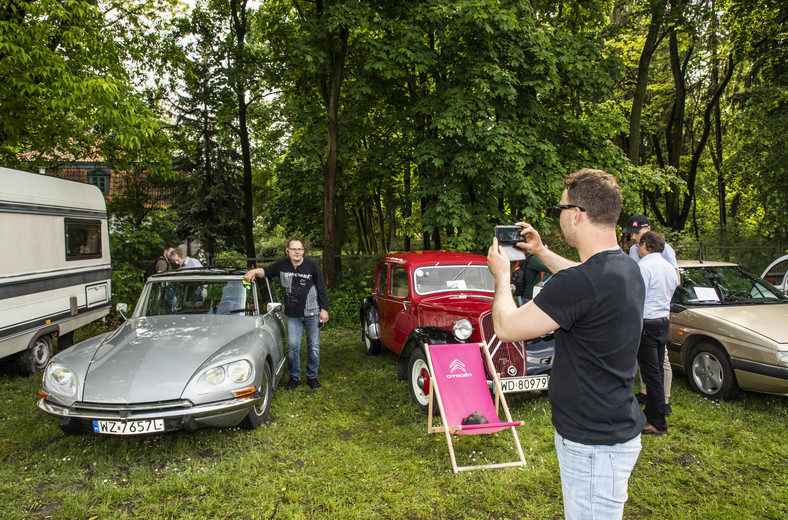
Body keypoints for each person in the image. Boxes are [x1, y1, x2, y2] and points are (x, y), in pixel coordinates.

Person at [487, 168, 646, 520]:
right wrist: (541, 250)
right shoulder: (625, 268)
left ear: (576, 214)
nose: (558, 214)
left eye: (560, 208)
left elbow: (506, 327)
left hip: (593, 443)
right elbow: (581, 278)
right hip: (612, 428)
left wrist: (501, 278)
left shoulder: (584, 282)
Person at [244, 237, 329, 390]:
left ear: (303, 250)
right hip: (293, 315)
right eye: (294, 249)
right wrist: (252, 271)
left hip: (313, 313)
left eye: (299, 249)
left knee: (314, 347)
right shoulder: (281, 265)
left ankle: (312, 377)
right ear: (287, 250)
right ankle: (294, 378)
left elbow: (321, 288)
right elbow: (264, 271)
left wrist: (324, 310)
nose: (297, 251)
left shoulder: (312, 266)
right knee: (292, 347)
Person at [623, 214, 678, 413]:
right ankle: (647, 394)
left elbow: (674, 278)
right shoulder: (633, 250)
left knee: (659, 362)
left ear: (647, 235)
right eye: (632, 234)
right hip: (649, 313)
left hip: (653, 312)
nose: (634, 238)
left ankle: (663, 402)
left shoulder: (663, 251)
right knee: (644, 360)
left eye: (637, 234)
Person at [635, 231, 679, 435]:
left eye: (639, 244)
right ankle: (653, 411)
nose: (636, 247)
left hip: (647, 322)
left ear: (645, 245)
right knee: (658, 370)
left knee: (651, 373)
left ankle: (657, 421)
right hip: (663, 320)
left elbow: (638, 295)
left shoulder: (645, 267)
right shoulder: (669, 267)